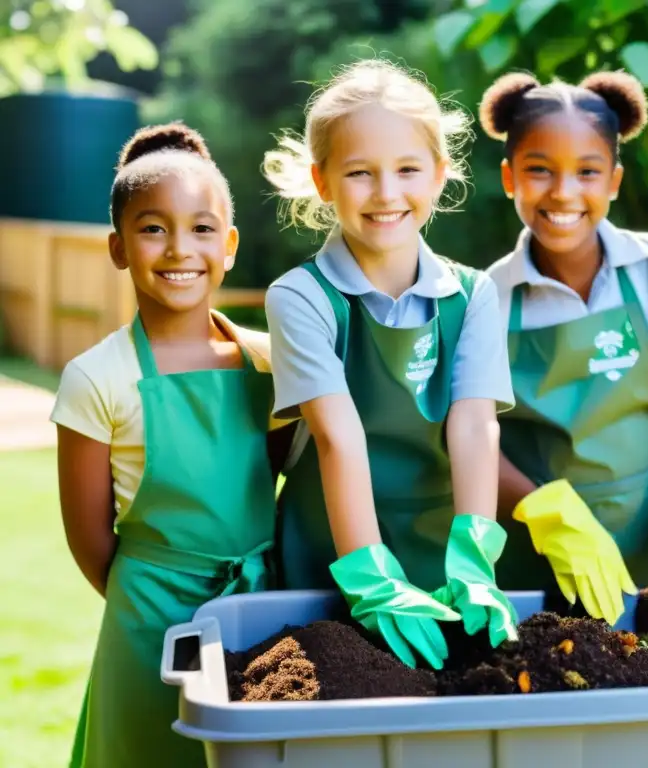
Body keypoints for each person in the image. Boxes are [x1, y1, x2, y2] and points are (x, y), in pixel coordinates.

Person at [262, 59, 518, 671]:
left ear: (440, 174)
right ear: (322, 182)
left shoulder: (473, 293)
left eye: (407, 169)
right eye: (359, 173)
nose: (386, 193)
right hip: (330, 563)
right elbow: (338, 438)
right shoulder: (300, 297)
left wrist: (475, 558)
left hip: (441, 564)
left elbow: (475, 424)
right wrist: (371, 578)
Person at [52, 123, 291, 768]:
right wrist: (155, 598)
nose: (179, 248)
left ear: (231, 245)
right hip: (148, 620)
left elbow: (277, 482)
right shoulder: (96, 377)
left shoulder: (271, 364)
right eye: (153, 228)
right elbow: (89, 538)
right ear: (119, 247)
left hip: (259, 613)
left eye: (202, 228)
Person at [479, 70, 648, 631]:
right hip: (538, 562)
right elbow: (476, 438)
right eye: (539, 171)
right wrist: (547, 515)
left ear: (615, 180)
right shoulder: (485, 298)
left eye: (587, 172)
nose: (564, 192)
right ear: (509, 178)